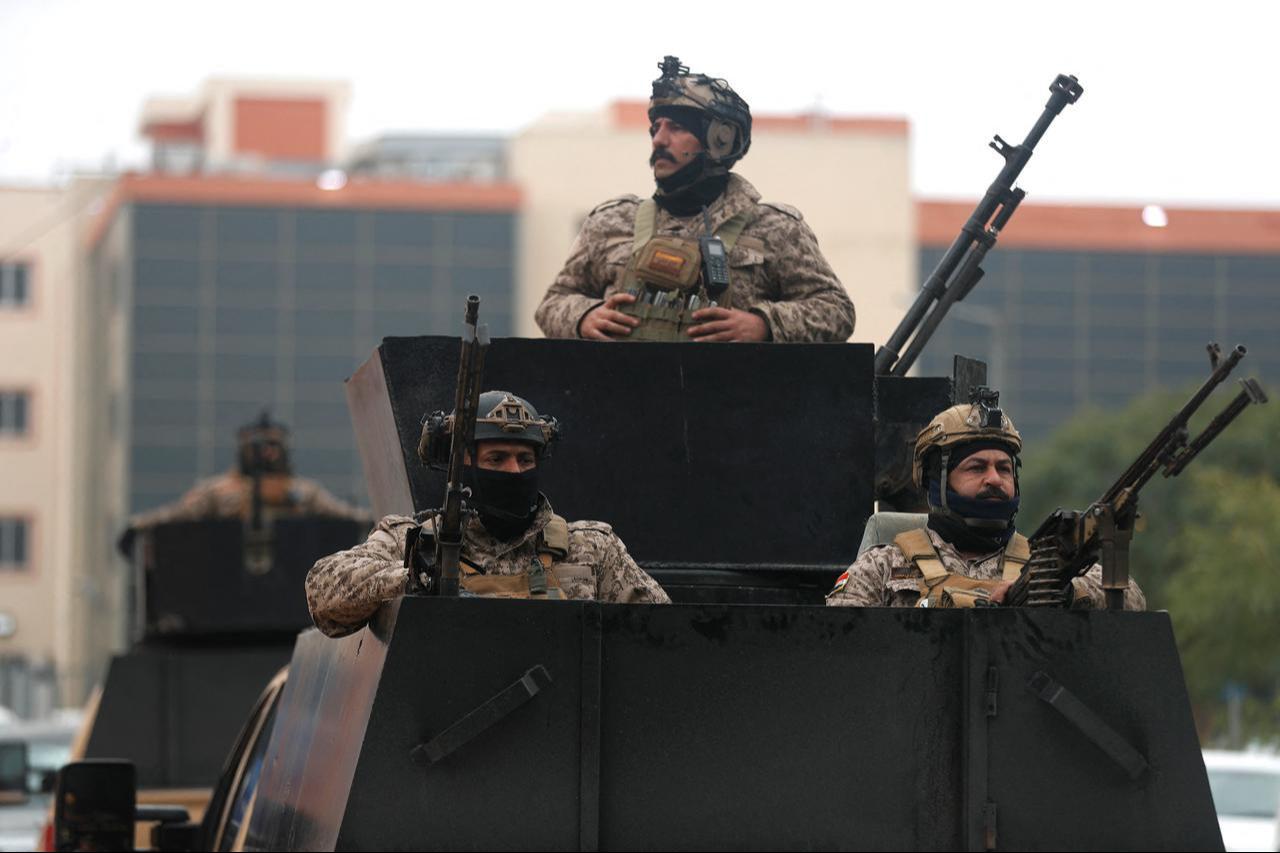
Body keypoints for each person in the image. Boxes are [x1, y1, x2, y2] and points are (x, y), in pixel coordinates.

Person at [534, 55, 855, 344]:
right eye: (656, 128)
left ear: (719, 140)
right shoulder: (612, 221)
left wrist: (763, 325)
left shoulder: (775, 227)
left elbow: (836, 310)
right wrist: (585, 317)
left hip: (733, 390)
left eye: (676, 128)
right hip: (625, 387)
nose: (659, 140)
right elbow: (552, 303)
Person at [305, 390, 671, 638]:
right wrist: (416, 580)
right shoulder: (414, 542)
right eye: (497, 459)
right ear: (464, 467)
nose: (514, 471)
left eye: (524, 459)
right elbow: (323, 593)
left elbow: (664, 632)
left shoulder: (591, 547)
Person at [826, 393, 1146, 610]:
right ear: (937, 481)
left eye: (1004, 468)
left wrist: (1058, 592)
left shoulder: (1045, 565)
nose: (994, 479)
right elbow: (838, 642)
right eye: (977, 467)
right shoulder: (883, 566)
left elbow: (1131, 601)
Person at [120, 412, 369, 555]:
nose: (266, 453)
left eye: (273, 445)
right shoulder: (218, 490)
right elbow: (178, 513)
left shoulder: (304, 492)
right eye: (258, 446)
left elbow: (345, 515)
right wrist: (138, 526)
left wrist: (377, 523)